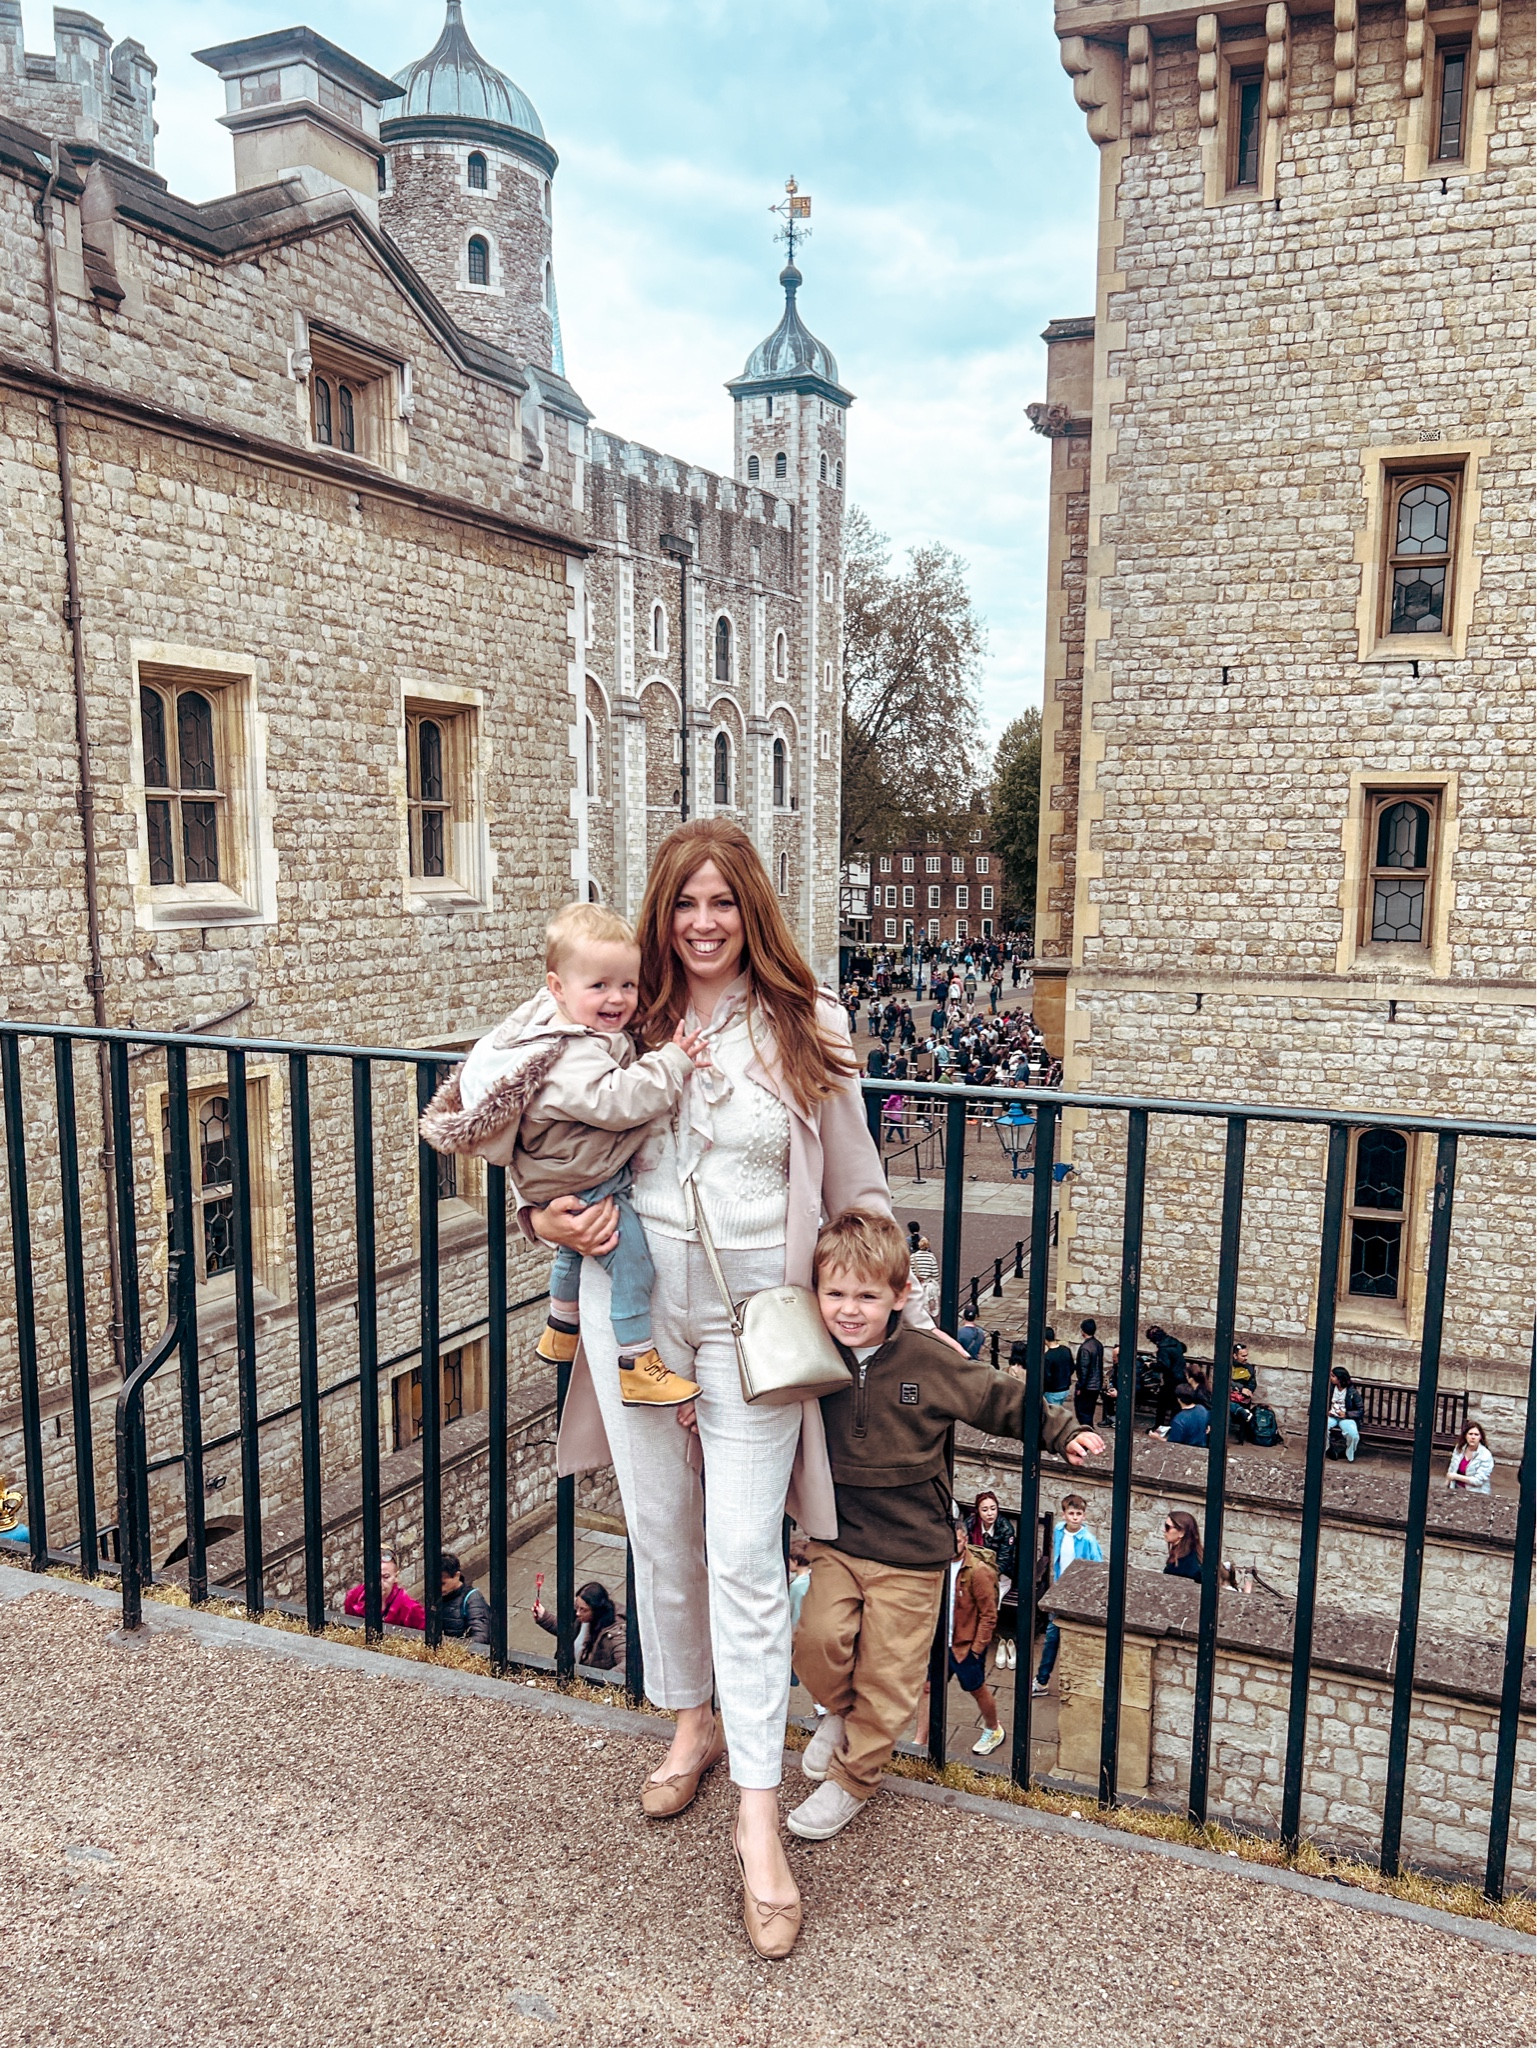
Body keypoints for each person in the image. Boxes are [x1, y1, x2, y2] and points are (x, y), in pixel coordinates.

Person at [529, 820, 951, 1959]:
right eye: (684, 903)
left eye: (721, 902)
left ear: (751, 909)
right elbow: (539, 1141)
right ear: (659, 914)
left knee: (748, 1561)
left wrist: (906, 1309)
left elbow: (856, 1184)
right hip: (633, 1314)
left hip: (756, 1326)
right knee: (661, 1534)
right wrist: (543, 1217)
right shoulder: (620, 1017)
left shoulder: (808, 1023)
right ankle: (692, 1722)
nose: (702, 922)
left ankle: (757, 1817)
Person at [786, 1208, 1102, 1842]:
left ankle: (853, 1779)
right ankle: (838, 1713)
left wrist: (1061, 1430)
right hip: (838, 1539)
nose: (849, 1310)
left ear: (901, 1295)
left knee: (890, 1674)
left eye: (867, 1296)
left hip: (912, 1551)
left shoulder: (927, 1359)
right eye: (835, 1294)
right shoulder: (808, 1345)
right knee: (816, 1641)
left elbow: (997, 1397)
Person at [419, 901, 709, 1409]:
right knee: (632, 1263)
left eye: (627, 984)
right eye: (599, 986)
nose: (617, 998)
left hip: (558, 1175)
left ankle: (560, 1326)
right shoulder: (573, 1055)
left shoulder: (556, 1030)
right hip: (583, 1175)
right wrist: (672, 1062)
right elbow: (620, 1101)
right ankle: (637, 1361)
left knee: (572, 1249)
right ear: (557, 988)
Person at [1033, 1492, 1103, 1695]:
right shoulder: (1058, 1530)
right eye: (1071, 1513)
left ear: (1084, 1516)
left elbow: (1098, 1569)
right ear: (1064, 1514)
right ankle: (1042, 1681)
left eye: (1078, 1514)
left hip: (1079, 1596)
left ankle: (1080, 1685)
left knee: (1075, 1638)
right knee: (1051, 1637)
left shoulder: (1088, 1540)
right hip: (1060, 1592)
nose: (1075, 1517)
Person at [533, 1578, 626, 1672]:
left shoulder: (616, 1633)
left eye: (583, 1609)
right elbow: (567, 1631)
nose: (578, 1613)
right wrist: (544, 1617)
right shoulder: (582, 1617)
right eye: (577, 1607)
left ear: (596, 1611)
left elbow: (626, 1665)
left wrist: (604, 1678)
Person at [343, 1548, 426, 1630]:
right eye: (374, 1576)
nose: (379, 1583)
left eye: (386, 1577)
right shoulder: (353, 1597)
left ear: (396, 1577)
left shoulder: (410, 1609)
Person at [439, 1553, 493, 1646]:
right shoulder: (438, 1596)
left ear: (457, 1576)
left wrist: (452, 1647)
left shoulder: (472, 1599)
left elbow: (481, 1636)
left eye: (443, 1584)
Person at [1146, 1325, 1189, 1431]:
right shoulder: (1174, 1342)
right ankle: (1174, 1427)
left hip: (1171, 1380)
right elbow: (1183, 1348)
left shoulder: (1163, 1349)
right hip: (1181, 1378)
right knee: (1176, 1406)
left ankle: (1158, 1427)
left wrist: (1151, 1365)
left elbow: (1164, 1366)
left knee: (1162, 1405)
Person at [1446, 1420, 1494, 1494]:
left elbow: (1478, 1481)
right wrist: (1446, 1486)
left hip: (1476, 1492)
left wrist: (1456, 1476)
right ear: (1465, 1436)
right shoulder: (1459, 1448)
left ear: (1480, 1437)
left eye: (1476, 1434)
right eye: (1470, 1434)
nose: (1473, 1437)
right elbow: (1451, 1470)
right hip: (1455, 1489)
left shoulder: (1486, 1455)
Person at [1074, 1318, 1105, 1428]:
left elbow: (1084, 1370)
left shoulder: (1085, 1348)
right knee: (1089, 1411)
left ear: (1083, 1331)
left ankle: (1086, 1431)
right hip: (1096, 1384)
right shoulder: (1098, 1344)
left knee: (1083, 1413)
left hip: (1087, 1386)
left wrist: (1080, 1387)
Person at [1328, 1365, 1363, 1462]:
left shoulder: (1352, 1392)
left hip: (1346, 1418)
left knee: (1353, 1435)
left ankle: (1348, 1452)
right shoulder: (1330, 1388)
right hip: (1332, 1416)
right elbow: (1321, 1401)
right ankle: (1328, 1449)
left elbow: (1360, 1410)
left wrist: (1346, 1414)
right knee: (1321, 1427)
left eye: (1333, 1376)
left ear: (1340, 1379)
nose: (1331, 1378)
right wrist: (1327, 1411)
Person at [1165, 1383, 1211, 1448]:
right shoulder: (1202, 1409)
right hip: (1202, 1448)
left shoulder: (1178, 1420)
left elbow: (1173, 1444)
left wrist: (1157, 1438)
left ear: (1179, 1399)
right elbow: (1208, 1425)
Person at [1163, 1509, 1203, 1580]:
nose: (1163, 1530)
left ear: (1181, 1532)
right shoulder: (1196, 1554)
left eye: (1167, 1527)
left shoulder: (1183, 1564)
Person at [1042, 1326, 1075, 1407]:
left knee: (1053, 1412)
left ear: (1045, 1340)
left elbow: (1047, 1377)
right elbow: (1072, 1367)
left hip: (1052, 1391)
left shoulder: (1048, 1357)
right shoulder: (1066, 1350)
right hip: (1065, 1388)